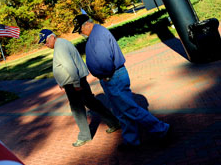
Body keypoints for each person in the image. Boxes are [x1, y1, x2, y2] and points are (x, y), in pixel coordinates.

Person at [72, 14, 170, 150]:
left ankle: (161, 129)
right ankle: (131, 140)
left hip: (112, 77)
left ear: (87, 24)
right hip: (111, 76)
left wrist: (106, 75)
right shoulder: (96, 33)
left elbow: (105, 59)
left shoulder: (98, 35)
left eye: (80, 29)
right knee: (121, 111)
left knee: (129, 109)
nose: (80, 33)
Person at [38, 29, 120, 147]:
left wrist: (76, 84)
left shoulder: (60, 46)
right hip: (75, 81)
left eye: (45, 41)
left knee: (78, 111)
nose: (45, 45)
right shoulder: (61, 43)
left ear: (52, 37)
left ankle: (84, 136)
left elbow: (70, 66)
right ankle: (114, 122)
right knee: (91, 103)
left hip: (74, 83)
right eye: (43, 43)